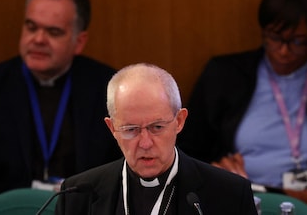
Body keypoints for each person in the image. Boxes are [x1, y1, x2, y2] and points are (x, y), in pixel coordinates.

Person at [178, 0, 307, 214]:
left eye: (297, 41)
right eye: (275, 38)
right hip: (235, 199)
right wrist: (215, 173)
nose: (283, 51)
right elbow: (185, 151)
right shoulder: (224, 75)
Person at [55, 63, 257, 215]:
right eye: (131, 129)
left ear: (179, 121)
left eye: (157, 127)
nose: (145, 143)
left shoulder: (230, 195)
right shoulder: (76, 196)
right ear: (112, 128)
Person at [0, 0, 122, 194]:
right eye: (31, 27)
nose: (38, 39)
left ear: (79, 42)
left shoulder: (111, 89)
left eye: (53, 32)